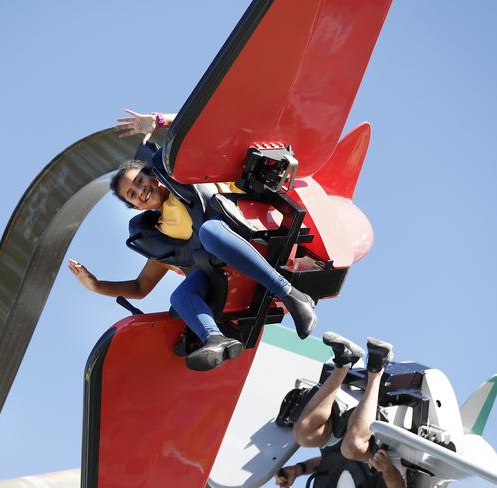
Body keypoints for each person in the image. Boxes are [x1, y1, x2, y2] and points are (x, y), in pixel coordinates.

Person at [69, 109, 317, 371]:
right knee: (181, 296)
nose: (141, 190)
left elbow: (208, 123)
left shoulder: (190, 176)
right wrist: (96, 286)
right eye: (132, 193)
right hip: (221, 272)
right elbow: (141, 287)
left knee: (210, 232)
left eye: (141, 180)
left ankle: (291, 294)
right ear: (134, 207)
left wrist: (160, 121)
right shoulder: (160, 233)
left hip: (249, 234)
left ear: (153, 175)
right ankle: (215, 339)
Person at [278, 332, 405, 488]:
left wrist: (299, 469)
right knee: (351, 448)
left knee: (302, 435)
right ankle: (377, 369)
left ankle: (344, 361)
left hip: (336, 442)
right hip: (373, 450)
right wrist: (387, 469)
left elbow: (327, 465)